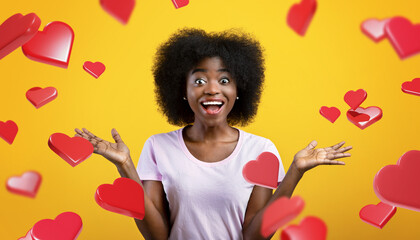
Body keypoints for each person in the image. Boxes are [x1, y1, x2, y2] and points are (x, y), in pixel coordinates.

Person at [74, 28, 352, 240]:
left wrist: (295, 171)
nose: (211, 89)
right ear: (182, 91)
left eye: (224, 80)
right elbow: (157, 235)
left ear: (238, 90)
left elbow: (256, 235)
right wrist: (125, 166)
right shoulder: (158, 147)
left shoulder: (261, 150)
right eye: (199, 80)